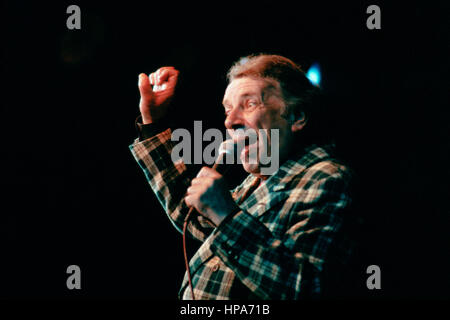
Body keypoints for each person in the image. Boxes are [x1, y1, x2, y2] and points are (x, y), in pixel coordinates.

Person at [129, 54, 359, 299]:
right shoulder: (258, 181)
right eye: (228, 110)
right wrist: (152, 122)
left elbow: (305, 288)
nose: (229, 121)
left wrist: (226, 215)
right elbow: (193, 219)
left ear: (297, 116)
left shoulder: (327, 178)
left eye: (248, 104)